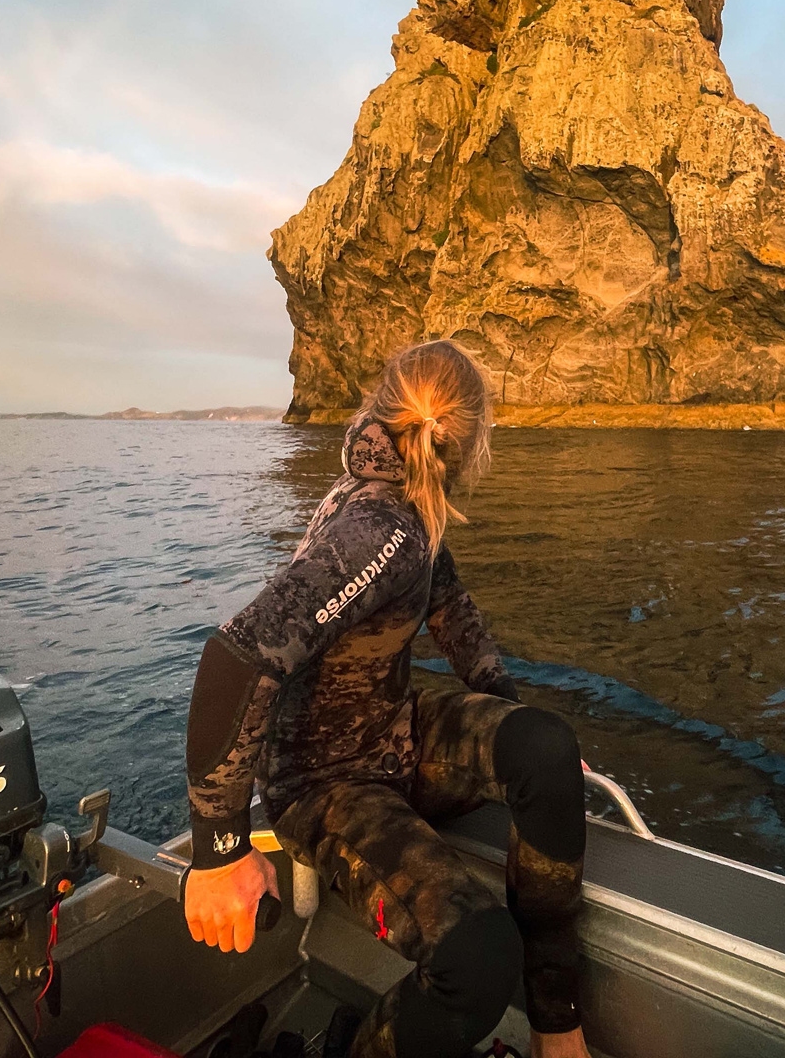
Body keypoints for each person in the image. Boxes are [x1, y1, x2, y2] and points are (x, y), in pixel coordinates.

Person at [180, 340, 591, 1058]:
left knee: (545, 747)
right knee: (477, 957)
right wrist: (219, 850)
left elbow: (451, 606)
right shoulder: (381, 529)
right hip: (323, 782)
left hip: (390, 733)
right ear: (472, 437)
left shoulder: (412, 502)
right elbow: (236, 657)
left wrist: (509, 712)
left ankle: (559, 1031)